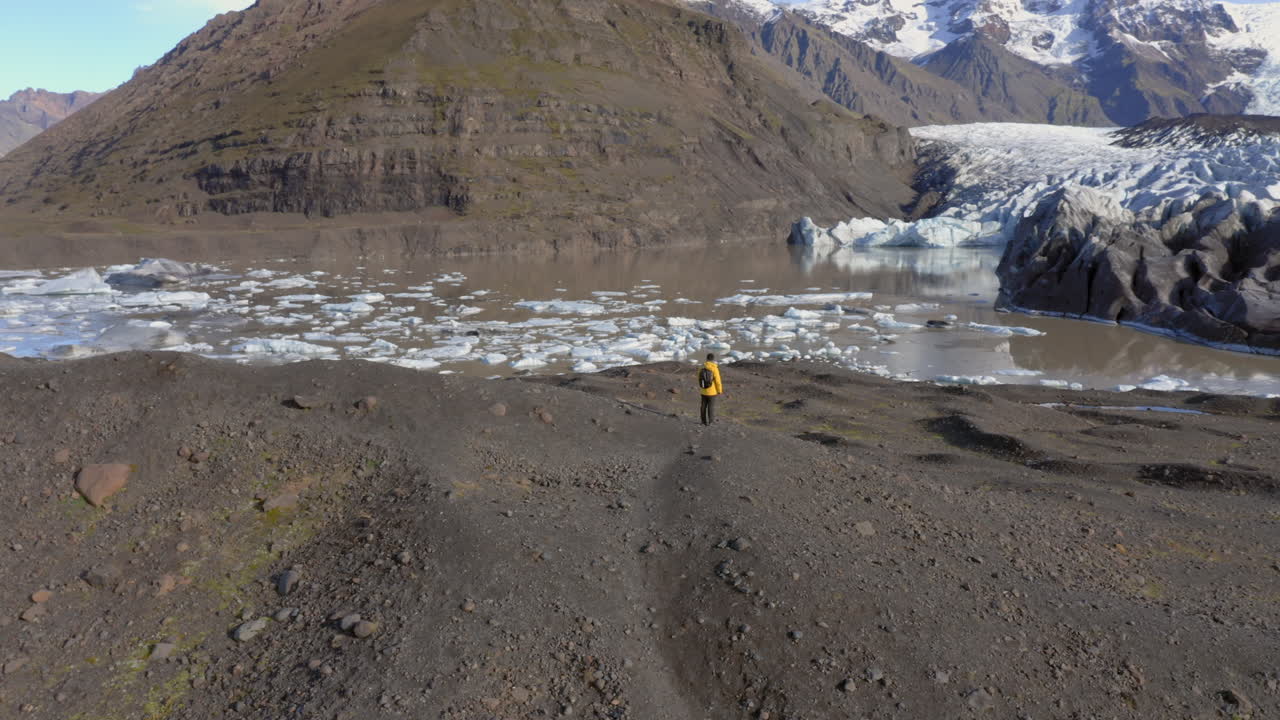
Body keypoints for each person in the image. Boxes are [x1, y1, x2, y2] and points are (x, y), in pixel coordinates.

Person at [698, 353, 723, 426]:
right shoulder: (714, 368)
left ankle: (703, 421)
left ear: (707, 358)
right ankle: (710, 421)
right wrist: (719, 390)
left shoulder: (702, 367)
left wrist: (702, 387)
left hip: (703, 391)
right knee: (711, 407)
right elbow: (718, 381)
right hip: (712, 392)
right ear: (713, 359)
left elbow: (699, 378)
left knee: (703, 406)